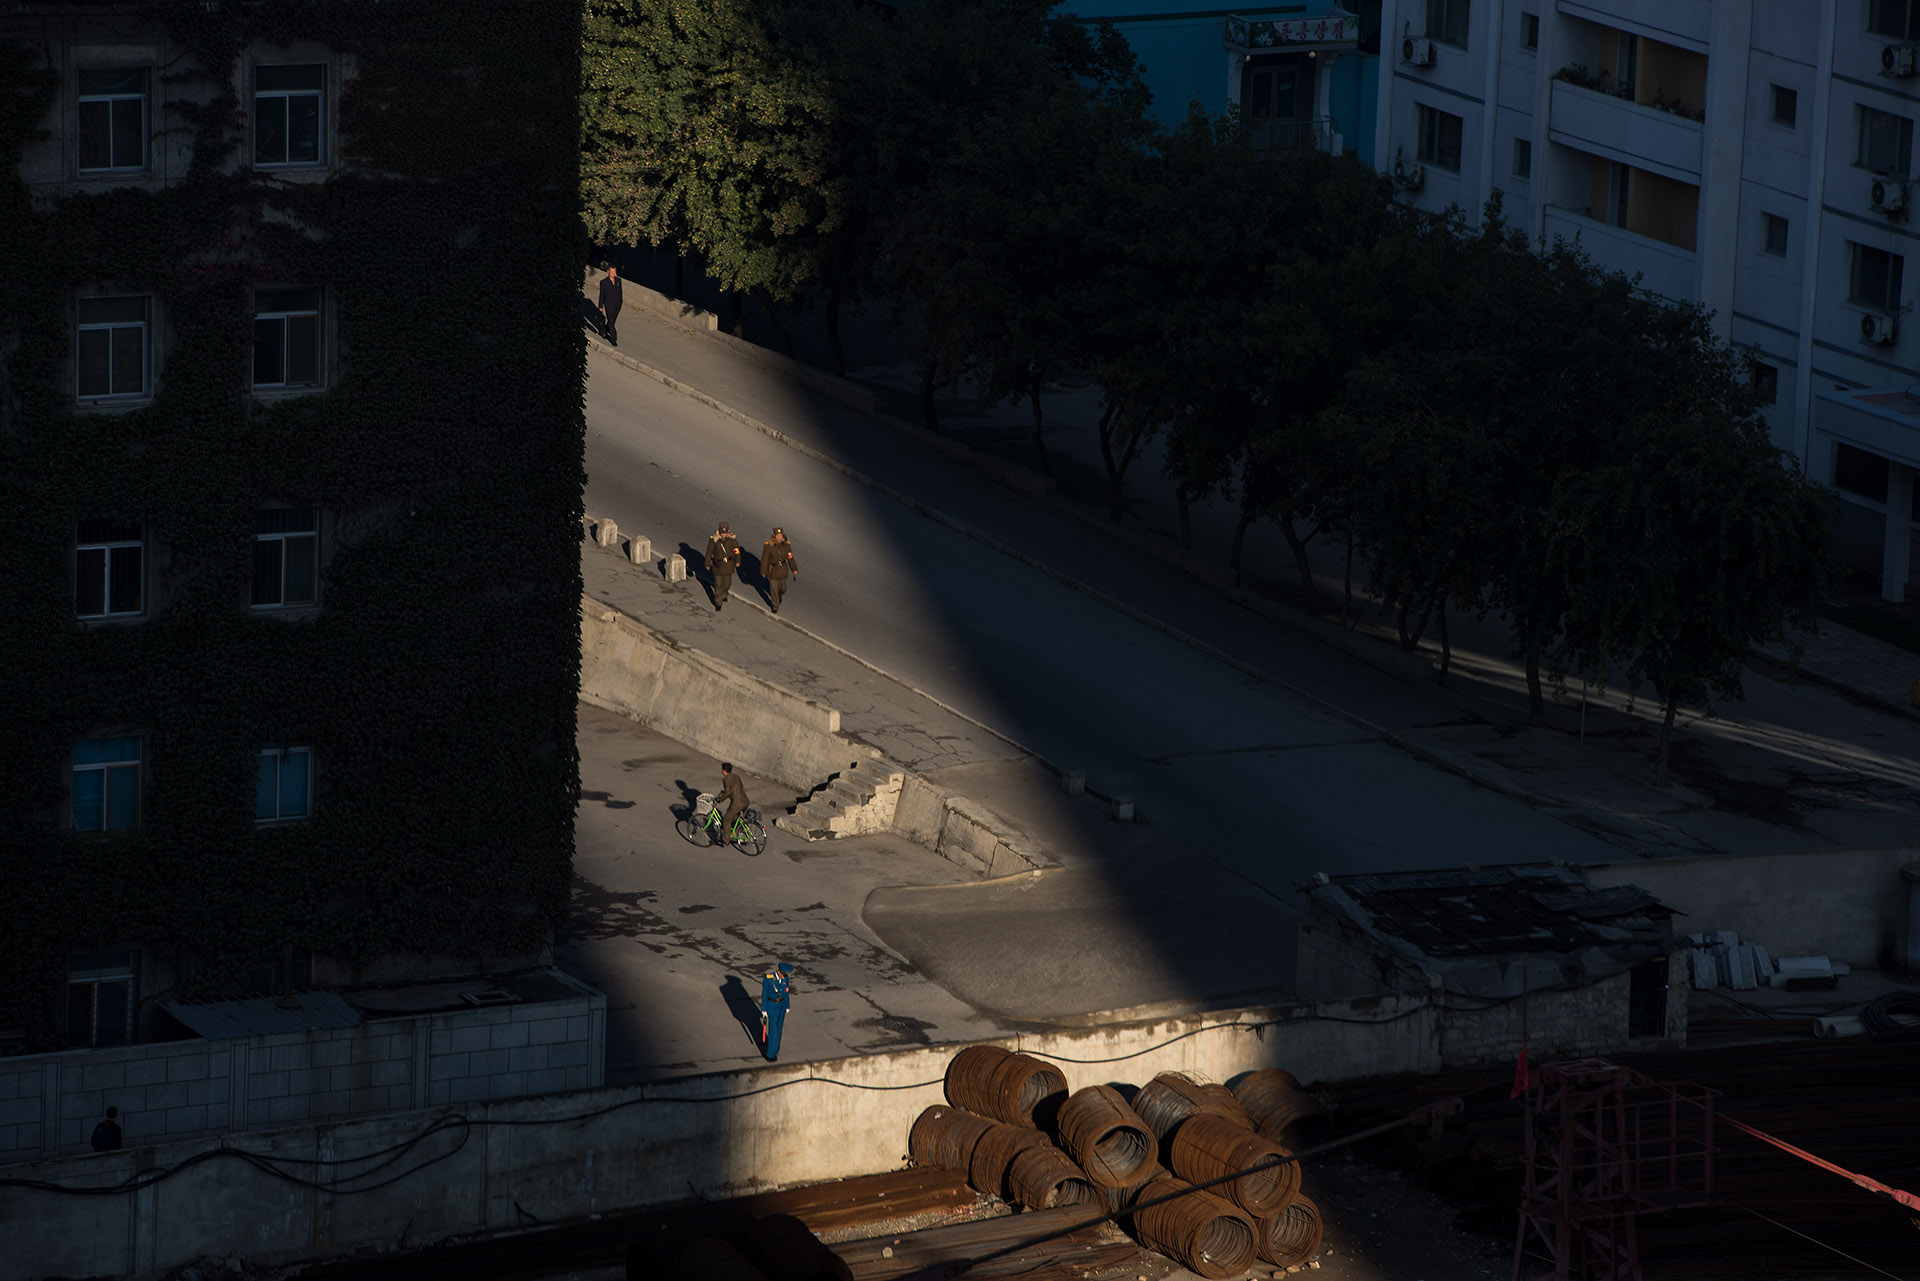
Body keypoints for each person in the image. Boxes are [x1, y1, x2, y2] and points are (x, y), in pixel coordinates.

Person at [759, 962, 794, 1060]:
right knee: (773, 1030)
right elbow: (765, 994)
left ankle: (775, 1050)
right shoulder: (769, 979)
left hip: (782, 1006)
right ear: (779, 972)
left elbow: (786, 993)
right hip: (772, 1006)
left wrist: (787, 1006)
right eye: (784, 974)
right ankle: (770, 1054)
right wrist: (764, 1009)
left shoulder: (785, 978)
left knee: (779, 1029)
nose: (785, 977)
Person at [760, 527, 798, 614]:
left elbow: (790, 558)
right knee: (773, 590)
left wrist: (794, 568)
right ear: (774, 535)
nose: (779, 537)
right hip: (773, 571)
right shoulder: (769, 546)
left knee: (783, 589)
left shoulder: (786, 545)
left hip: (783, 571)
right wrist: (763, 571)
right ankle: (775, 606)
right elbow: (764, 559)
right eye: (778, 535)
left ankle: (779, 596)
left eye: (780, 535)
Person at [705, 521, 741, 611]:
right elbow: (709, 552)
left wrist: (738, 560)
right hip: (718, 566)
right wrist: (707, 563)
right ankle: (718, 603)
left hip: (729, 565)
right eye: (722, 533)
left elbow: (736, 551)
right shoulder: (714, 540)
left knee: (727, 584)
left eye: (725, 533)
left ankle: (724, 594)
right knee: (718, 585)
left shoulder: (732, 539)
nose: (723, 535)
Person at [716, 761, 749, 851]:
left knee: (726, 819)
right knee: (735, 818)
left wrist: (720, 799)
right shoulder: (736, 776)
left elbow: (728, 792)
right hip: (745, 801)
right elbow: (739, 786)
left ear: (723, 770)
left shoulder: (726, 779)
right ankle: (740, 833)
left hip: (737, 803)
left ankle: (726, 839)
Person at [596, 262, 623, 346]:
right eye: (611, 272)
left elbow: (620, 293)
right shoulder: (604, 282)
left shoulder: (618, 281)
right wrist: (600, 306)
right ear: (608, 272)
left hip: (617, 305)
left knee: (612, 321)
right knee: (611, 321)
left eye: (614, 271)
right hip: (608, 304)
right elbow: (602, 295)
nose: (613, 273)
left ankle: (605, 329)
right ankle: (613, 338)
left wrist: (620, 302)